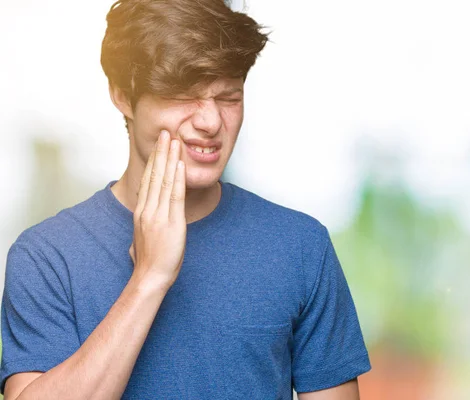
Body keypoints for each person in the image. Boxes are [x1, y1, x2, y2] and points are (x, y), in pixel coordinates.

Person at [0, 0, 371, 398]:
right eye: (182, 95)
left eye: (228, 97)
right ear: (123, 96)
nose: (211, 123)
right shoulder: (46, 256)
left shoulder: (300, 246)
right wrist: (149, 278)